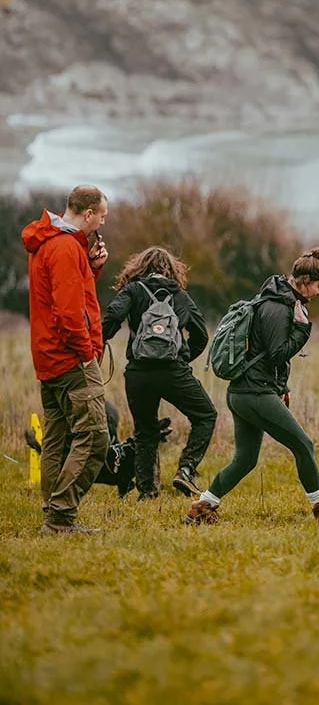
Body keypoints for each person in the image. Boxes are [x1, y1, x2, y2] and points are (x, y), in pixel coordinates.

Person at [185, 247, 319, 526]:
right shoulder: (277, 307)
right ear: (305, 280)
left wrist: (283, 386)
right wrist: (303, 329)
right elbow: (277, 353)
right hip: (254, 393)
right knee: (304, 445)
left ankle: (203, 506)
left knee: (245, 460)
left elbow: (268, 356)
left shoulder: (278, 299)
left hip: (246, 391)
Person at [22, 185, 110, 536]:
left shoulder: (53, 241)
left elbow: (72, 293)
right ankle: (60, 518)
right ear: (87, 214)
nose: (102, 222)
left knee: (58, 435)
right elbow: (69, 311)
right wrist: (87, 352)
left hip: (48, 355)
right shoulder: (63, 247)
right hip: (70, 356)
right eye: (101, 216)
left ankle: (52, 512)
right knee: (95, 437)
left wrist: (93, 267)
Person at [102, 246, 217, 500]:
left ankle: (147, 493)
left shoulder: (132, 290)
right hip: (173, 371)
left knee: (145, 431)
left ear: (139, 267)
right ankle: (185, 470)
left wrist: (100, 341)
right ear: (172, 270)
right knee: (206, 415)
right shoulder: (180, 296)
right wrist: (183, 358)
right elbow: (201, 335)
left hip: (139, 374)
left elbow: (112, 315)